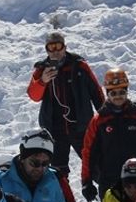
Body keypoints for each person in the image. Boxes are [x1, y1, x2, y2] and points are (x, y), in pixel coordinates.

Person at [26, 32, 104, 176]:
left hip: (81, 126)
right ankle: (62, 191)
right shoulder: (42, 69)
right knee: (58, 172)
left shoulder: (79, 65)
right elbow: (33, 96)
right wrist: (43, 81)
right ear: (46, 50)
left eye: (58, 46)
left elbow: (96, 92)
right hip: (54, 128)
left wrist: (105, 117)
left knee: (96, 165)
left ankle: (108, 189)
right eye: (51, 47)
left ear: (65, 47)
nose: (55, 51)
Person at [80, 69, 136, 202]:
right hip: (110, 180)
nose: (118, 96)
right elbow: (88, 153)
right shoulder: (99, 121)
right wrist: (86, 181)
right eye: (113, 93)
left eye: (122, 92)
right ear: (107, 94)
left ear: (127, 92)